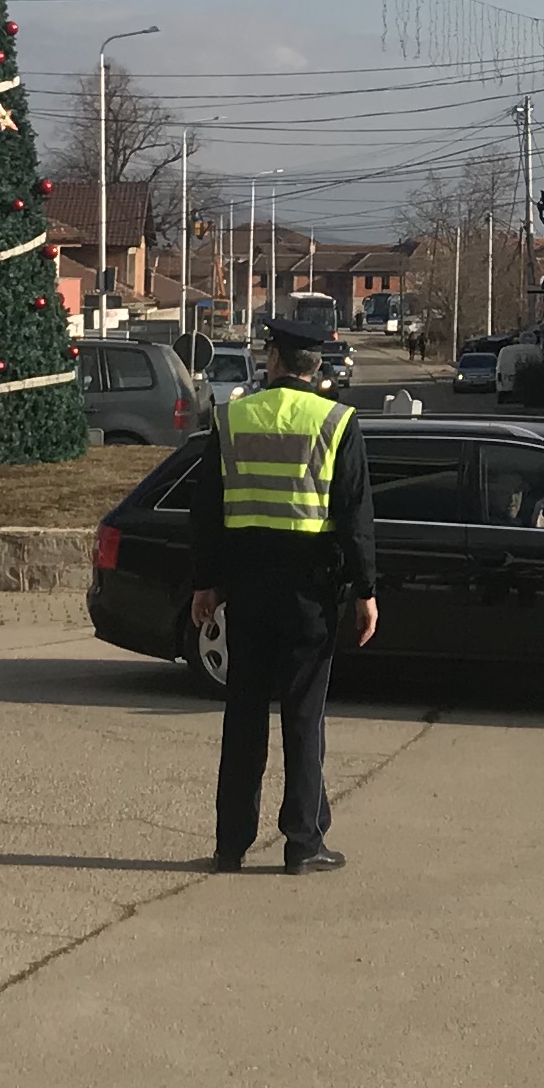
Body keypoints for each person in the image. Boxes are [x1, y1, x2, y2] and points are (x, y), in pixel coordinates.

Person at [188, 305, 376, 874]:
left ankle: (230, 845)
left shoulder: (232, 419)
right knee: (303, 717)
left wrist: (206, 583)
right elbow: (355, 517)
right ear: (316, 368)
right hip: (310, 592)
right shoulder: (337, 423)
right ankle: (302, 843)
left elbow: (207, 511)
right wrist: (365, 590)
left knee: (243, 716)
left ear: (273, 360)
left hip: (247, 588)